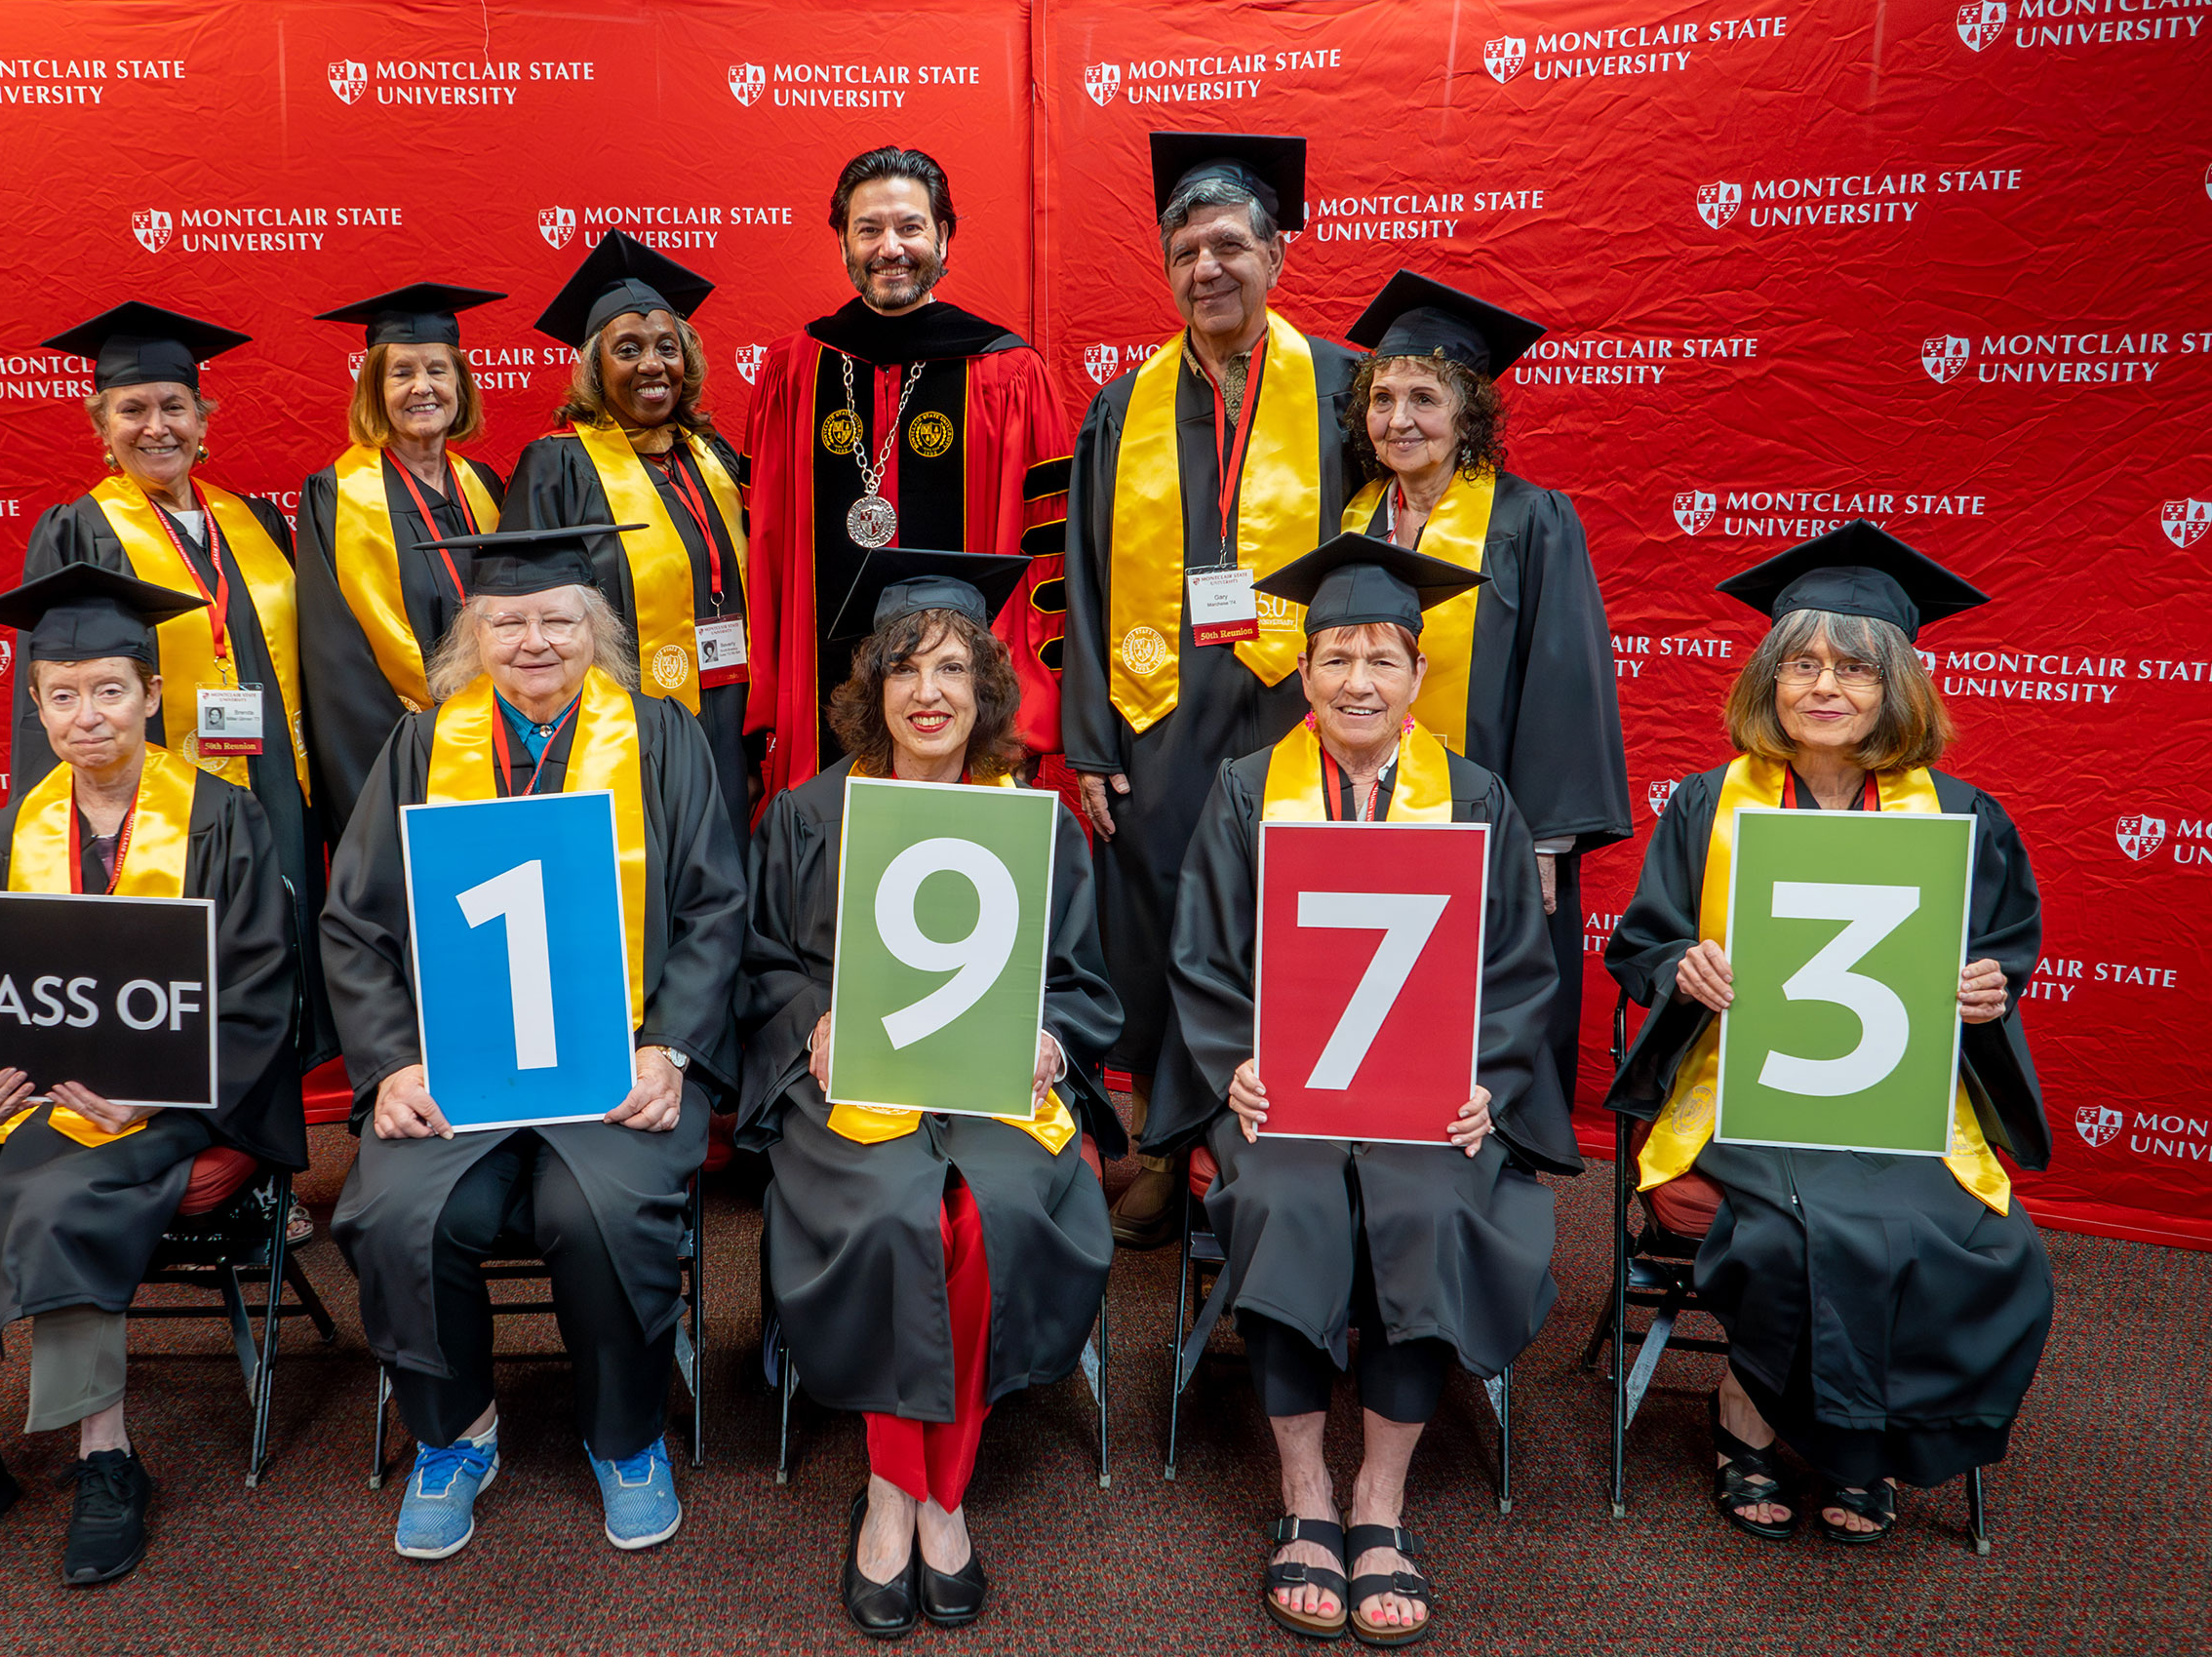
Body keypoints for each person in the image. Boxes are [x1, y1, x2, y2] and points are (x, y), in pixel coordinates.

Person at [0, 564, 304, 1592]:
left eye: (107, 689)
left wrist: (158, 1088)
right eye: (61, 693)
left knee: (61, 1186)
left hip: (164, 1098)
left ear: (149, 695)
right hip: (18, 1097)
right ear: (37, 706)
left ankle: (105, 1451)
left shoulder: (224, 820)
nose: (85, 715)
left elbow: (265, 987)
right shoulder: (5, 833)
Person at [1156, 533, 1577, 1645]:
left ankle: (1378, 1498)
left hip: (1425, 1100)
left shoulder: (1475, 796)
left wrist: (1488, 1081)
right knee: (1289, 1197)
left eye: (1381, 658)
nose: (1356, 680)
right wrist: (1232, 1061)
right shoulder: (1249, 791)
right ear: (1301, 675)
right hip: (1284, 1097)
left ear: (1417, 678)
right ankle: (1303, 1488)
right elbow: (1200, 955)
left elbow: (1519, 969)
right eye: (1335, 655)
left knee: (1427, 1200)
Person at [1604, 522, 2052, 1547]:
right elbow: (1638, 945)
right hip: (1742, 1091)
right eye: (1800, 662)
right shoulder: (1710, 804)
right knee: (1787, 1222)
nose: (1823, 686)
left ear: (1894, 687)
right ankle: (1748, 1412)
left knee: (1979, 1238)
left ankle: (1870, 1438)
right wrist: (1681, 967)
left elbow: (2004, 952)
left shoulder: (1962, 815)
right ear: (1768, 678)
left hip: (1900, 1094)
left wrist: (1988, 987)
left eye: (1852, 668)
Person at [323, 527, 745, 1562]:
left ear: (593, 630)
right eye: (508, 621)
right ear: (474, 634)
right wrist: (390, 1065)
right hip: (458, 1068)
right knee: (400, 1210)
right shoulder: (423, 744)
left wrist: (673, 1051)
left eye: (559, 619)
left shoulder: (658, 734)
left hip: (621, 1063)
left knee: (592, 1208)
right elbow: (357, 923)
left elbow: (713, 908)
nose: (535, 641)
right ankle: (453, 1434)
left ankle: (625, 1435)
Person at [737, 548, 1122, 1637]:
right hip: (849, 1088)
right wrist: (806, 1018)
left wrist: (1052, 1039)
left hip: (993, 1086)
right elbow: (762, 961)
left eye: (953, 668)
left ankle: (929, 1492)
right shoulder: (812, 815)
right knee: (894, 1206)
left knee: (984, 1206)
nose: (929, 692)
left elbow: (1083, 982)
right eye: (904, 668)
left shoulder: (1031, 823)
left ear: (986, 689)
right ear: (872, 690)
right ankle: (902, 1489)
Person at [1059, 132, 1363, 1249]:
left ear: (1277, 252)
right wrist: (1089, 735)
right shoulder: (1121, 405)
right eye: (1186, 250)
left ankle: (1283, 1133)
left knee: (1287, 910)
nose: (1208, 269)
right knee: (1155, 915)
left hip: (1301, 700)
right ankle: (1158, 1134)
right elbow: (1084, 581)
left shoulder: (1342, 388)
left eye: (1230, 244)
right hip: (1159, 707)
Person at [17, 301, 336, 1073]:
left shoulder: (256, 521)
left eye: (174, 407)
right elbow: (54, 689)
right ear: (102, 427)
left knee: (272, 952)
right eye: (132, 409)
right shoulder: (79, 530)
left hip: (269, 787)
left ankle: (267, 1175)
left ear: (203, 419)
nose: (156, 426)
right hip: (159, 795)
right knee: (183, 964)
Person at [1339, 269, 1632, 1103]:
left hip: (1491, 820)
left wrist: (1542, 838)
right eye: (1382, 398)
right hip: (1364, 812)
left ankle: (1486, 1167)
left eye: (1425, 397)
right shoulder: (1350, 518)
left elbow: (1566, 678)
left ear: (1468, 412)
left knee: (1480, 1011)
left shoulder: (1531, 518)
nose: (1400, 420)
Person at [744, 145, 1076, 802]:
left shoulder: (1007, 373)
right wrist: (767, 706)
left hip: (969, 721)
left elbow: (1050, 554)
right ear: (841, 240)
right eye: (868, 229)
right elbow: (766, 545)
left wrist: (1025, 711)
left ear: (943, 236)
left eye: (909, 227)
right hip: (817, 711)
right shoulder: (794, 371)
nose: (888, 248)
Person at [500, 232, 758, 848]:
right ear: (595, 367)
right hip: (626, 718)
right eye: (629, 349)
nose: (652, 364)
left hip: (733, 707)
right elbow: (528, 606)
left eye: (667, 347)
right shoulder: (556, 465)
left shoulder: (711, 455)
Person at [296, 283, 508, 834]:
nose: (423, 388)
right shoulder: (336, 497)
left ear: (460, 383)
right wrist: (409, 760)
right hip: (398, 762)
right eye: (402, 373)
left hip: (503, 746)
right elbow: (335, 660)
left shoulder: (483, 485)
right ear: (374, 388)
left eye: (438, 370)